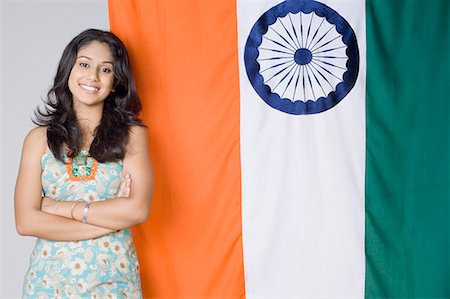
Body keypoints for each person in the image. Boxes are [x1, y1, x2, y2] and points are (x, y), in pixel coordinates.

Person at [14, 28, 153, 298]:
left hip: (114, 282)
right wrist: (110, 221)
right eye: (84, 64)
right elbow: (26, 221)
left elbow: (138, 210)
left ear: (115, 82)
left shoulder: (132, 136)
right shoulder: (38, 139)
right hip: (48, 285)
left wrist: (56, 207)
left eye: (105, 70)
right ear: (69, 70)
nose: (92, 76)